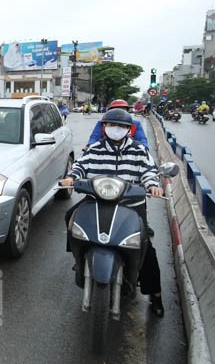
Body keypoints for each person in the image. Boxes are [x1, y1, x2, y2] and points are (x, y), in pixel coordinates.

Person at [60, 108, 165, 317]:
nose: (116, 129)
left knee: (146, 248)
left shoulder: (138, 150)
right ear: (104, 127)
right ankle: (80, 259)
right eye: (111, 125)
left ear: (128, 129)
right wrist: (71, 178)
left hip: (130, 205)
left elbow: (149, 171)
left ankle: (155, 294)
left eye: (122, 126)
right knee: (70, 217)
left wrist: (153, 185)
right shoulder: (95, 149)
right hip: (96, 201)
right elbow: (80, 165)